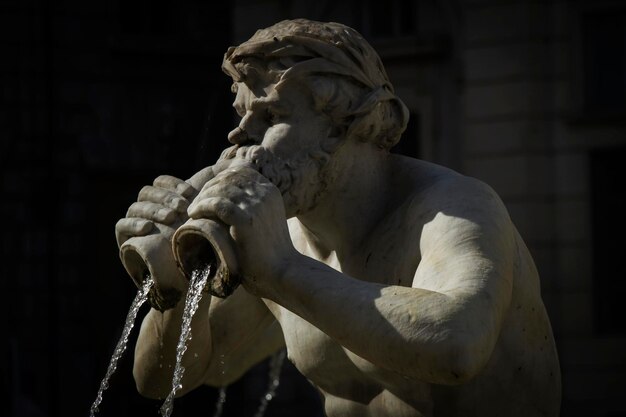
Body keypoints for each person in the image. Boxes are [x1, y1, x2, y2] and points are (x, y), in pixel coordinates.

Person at [115, 19, 561, 417]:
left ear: (352, 123)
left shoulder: (453, 207)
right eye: (241, 116)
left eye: (271, 115)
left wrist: (281, 270)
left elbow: (457, 347)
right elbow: (174, 378)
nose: (238, 136)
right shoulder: (279, 234)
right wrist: (171, 289)